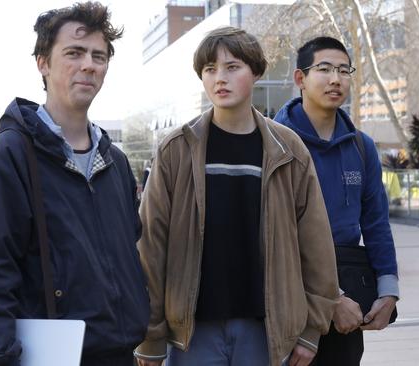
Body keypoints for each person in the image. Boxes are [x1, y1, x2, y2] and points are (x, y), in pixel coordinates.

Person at [0, 2, 150, 365]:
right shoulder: (11, 153)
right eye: (74, 53)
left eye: (99, 55)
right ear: (43, 63)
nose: (89, 65)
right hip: (46, 357)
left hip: (120, 354)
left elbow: (127, 257)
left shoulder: (116, 161)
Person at [134, 27, 339, 366]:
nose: (220, 79)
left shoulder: (289, 149)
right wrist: (151, 334)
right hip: (190, 332)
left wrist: (312, 329)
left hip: (265, 329)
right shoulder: (176, 150)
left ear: (256, 71)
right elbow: (150, 246)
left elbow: (315, 242)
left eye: (232, 67)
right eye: (210, 69)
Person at [274, 36, 399, 366]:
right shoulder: (273, 142)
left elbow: (376, 223)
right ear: (300, 78)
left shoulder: (361, 146)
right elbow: (274, 235)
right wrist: (331, 298)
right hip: (289, 296)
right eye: (325, 69)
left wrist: (388, 291)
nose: (336, 79)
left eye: (344, 70)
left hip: (348, 298)